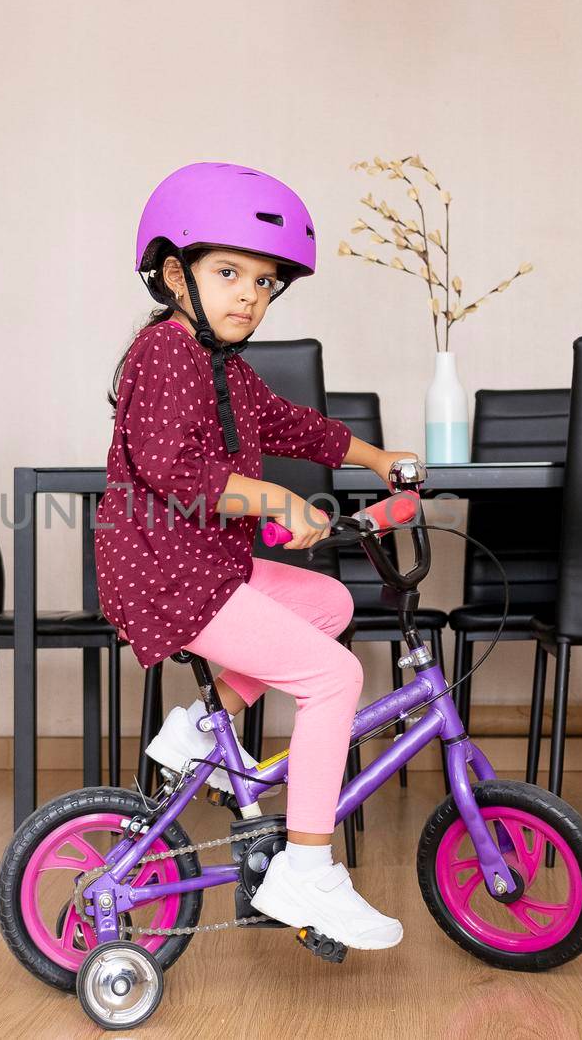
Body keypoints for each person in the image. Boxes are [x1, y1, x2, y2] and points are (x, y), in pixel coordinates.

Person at [94, 162, 417, 950]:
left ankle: (205, 730)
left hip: (205, 565)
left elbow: (292, 424)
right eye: (228, 272)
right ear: (175, 273)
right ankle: (306, 867)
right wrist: (274, 500)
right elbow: (175, 470)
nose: (248, 294)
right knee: (334, 674)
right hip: (170, 574)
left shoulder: (222, 366)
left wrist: (373, 458)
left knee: (330, 605)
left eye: (265, 282)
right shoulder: (164, 356)